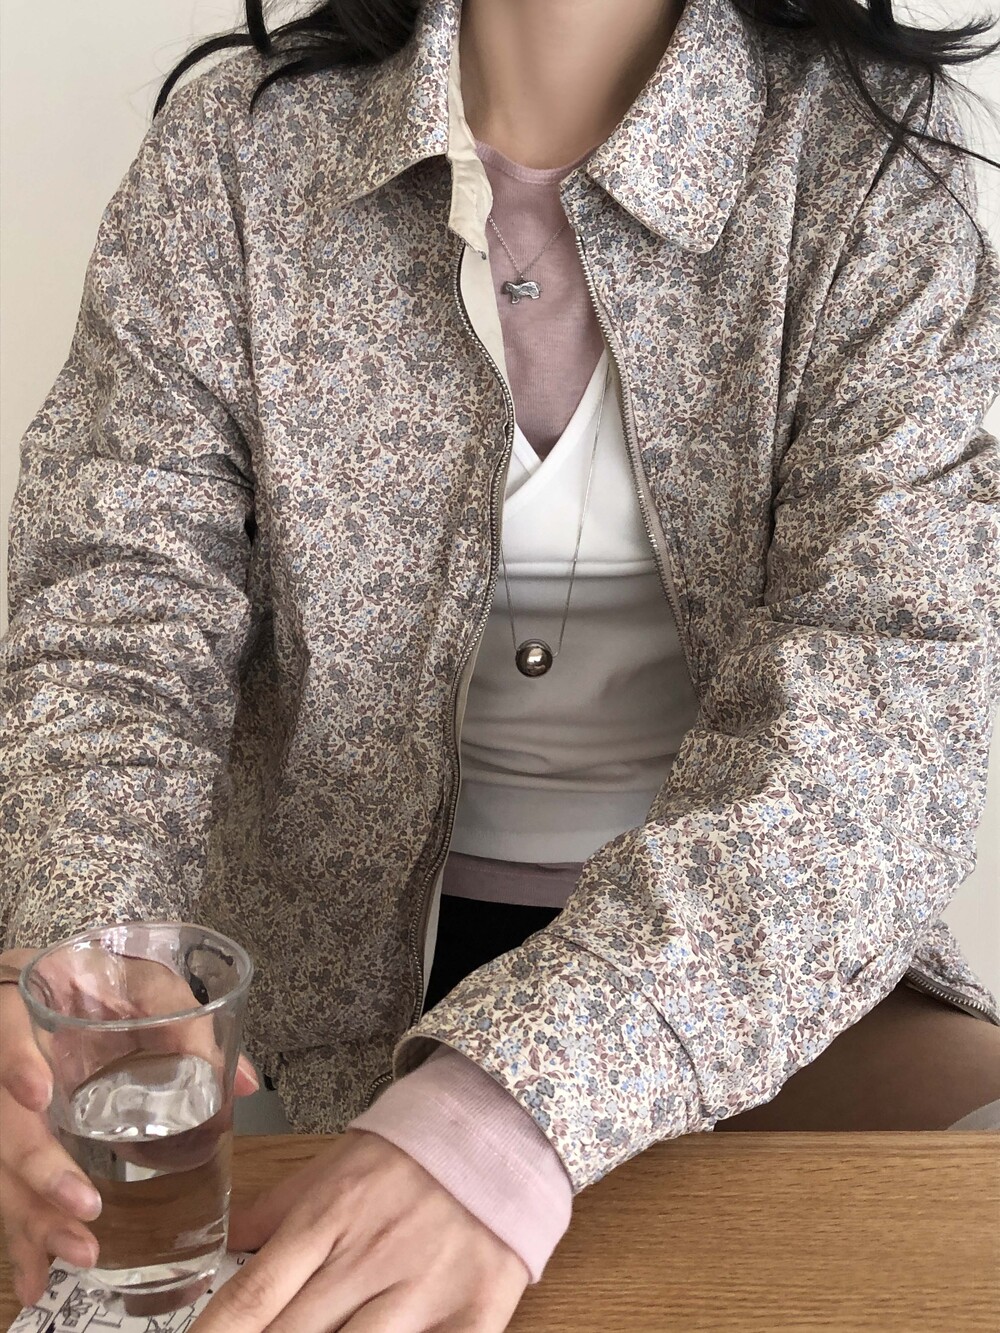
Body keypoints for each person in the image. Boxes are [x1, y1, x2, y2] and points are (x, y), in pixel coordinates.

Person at [2, 0, 1000, 1326]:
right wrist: (81, 964)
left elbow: (889, 724)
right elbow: (111, 627)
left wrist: (504, 1114)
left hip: (736, 972)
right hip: (310, 1006)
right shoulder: (235, 158)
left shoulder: (868, 167)